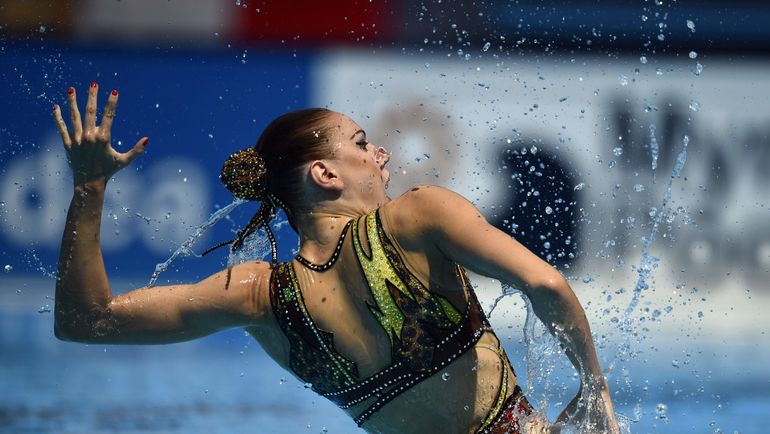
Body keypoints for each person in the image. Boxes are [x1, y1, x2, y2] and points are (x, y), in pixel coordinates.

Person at [52, 83, 620, 434]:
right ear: (325, 173)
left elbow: (86, 321)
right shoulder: (418, 216)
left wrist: (90, 186)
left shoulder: (258, 297)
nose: (381, 153)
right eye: (362, 142)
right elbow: (546, 285)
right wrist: (595, 390)